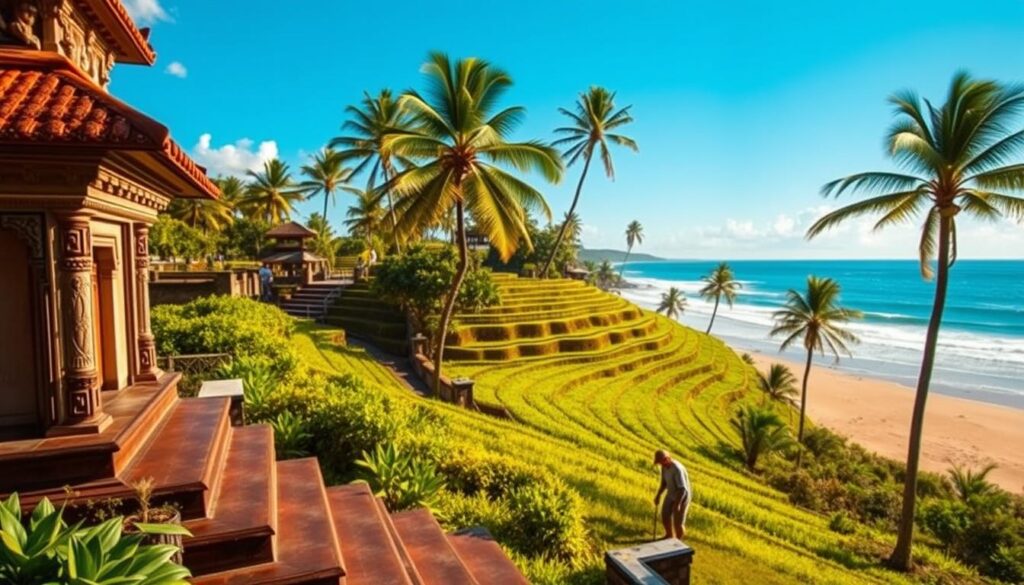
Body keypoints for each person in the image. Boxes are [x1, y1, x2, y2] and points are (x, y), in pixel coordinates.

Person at [653, 449, 691, 540]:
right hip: (671, 493)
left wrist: (677, 504)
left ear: (667, 459)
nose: (660, 465)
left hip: (682, 496)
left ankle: (677, 542)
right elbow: (664, 483)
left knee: (678, 522)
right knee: (665, 515)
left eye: (661, 462)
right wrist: (658, 495)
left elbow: (682, 489)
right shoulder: (664, 467)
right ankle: (669, 535)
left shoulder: (677, 469)